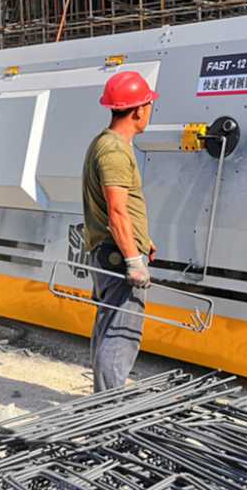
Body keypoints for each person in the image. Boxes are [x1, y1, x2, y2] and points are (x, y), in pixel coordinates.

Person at [81, 71, 159, 392]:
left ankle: (102, 399)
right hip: (117, 257)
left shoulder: (109, 144)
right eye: (149, 104)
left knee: (109, 327)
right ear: (138, 110)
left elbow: (118, 210)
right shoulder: (114, 151)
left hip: (112, 251)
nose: (150, 110)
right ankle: (110, 405)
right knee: (121, 335)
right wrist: (133, 260)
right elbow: (116, 211)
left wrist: (141, 239)